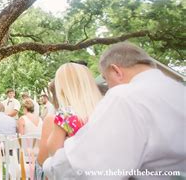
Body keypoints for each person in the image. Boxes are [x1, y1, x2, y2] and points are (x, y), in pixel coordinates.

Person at [44, 42, 186, 178]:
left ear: (116, 71)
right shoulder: (180, 92)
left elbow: (87, 169)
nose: (109, 87)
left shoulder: (124, 96)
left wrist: (48, 165)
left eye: (106, 79)